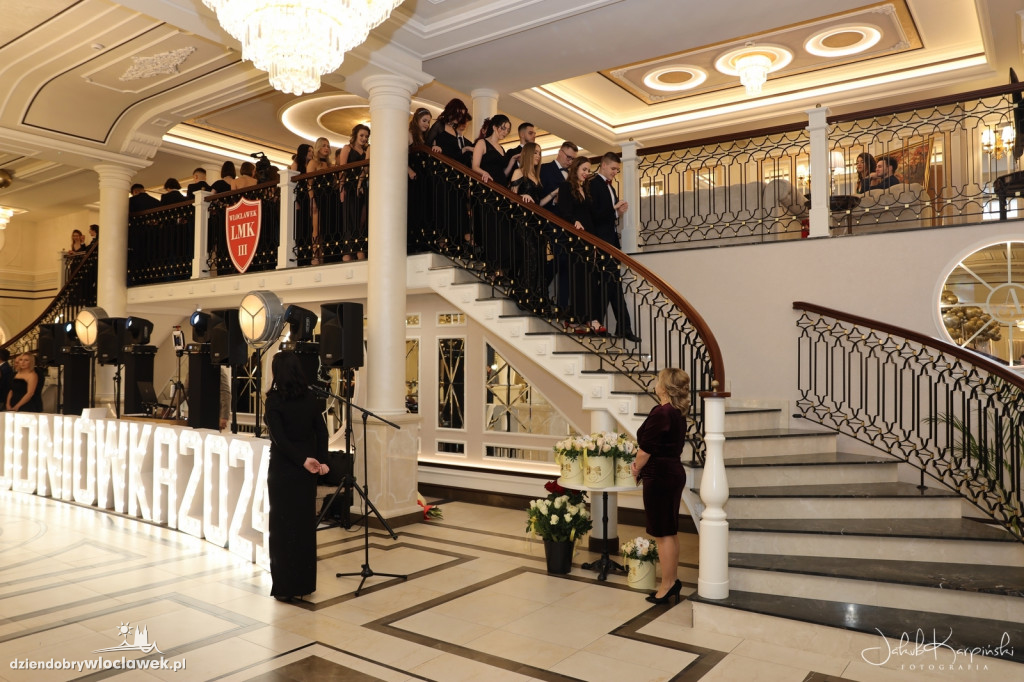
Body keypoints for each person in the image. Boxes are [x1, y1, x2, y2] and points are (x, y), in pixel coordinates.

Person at [263, 350, 329, 602]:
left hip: (284, 470)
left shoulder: (274, 400)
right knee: (303, 527)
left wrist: (302, 460)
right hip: (306, 472)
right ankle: (304, 583)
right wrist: (321, 461)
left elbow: (279, 439)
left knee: (282, 528)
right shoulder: (310, 398)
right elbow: (322, 432)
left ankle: (285, 587)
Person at [629, 367, 689, 605]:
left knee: (662, 534)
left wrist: (636, 468)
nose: (655, 382)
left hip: (661, 476)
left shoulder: (662, 413)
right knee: (668, 531)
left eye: (658, 380)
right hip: (671, 473)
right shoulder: (674, 411)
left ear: (664, 386)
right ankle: (671, 581)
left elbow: (645, 450)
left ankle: (667, 585)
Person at [588, 152, 638, 342]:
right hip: (600, 241)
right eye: (613, 168)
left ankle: (618, 326)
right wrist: (614, 210)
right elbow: (594, 214)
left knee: (611, 284)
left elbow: (608, 216)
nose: (615, 172)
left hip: (610, 241)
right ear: (603, 165)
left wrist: (617, 213)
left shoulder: (611, 187)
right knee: (609, 283)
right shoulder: (593, 184)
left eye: (617, 170)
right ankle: (611, 325)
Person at [556, 157, 599, 334]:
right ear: (575, 169)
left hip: (588, 238)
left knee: (588, 279)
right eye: (584, 169)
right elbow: (563, 211)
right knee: (578, 279)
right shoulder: (566, 187)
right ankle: (576, 318)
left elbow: (589, 215)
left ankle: (581, 318)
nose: (586, 173)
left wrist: (594, 240)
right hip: (574, 239)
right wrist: (574, 221)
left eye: (588, 170)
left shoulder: (585, 188)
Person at [337, 124, 370, 261]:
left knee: (361, 220)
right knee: (350, 219)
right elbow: (342, 170)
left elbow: (367, 168)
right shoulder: (347, 148)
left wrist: (361, 183)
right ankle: (349, 252)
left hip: (362, 188)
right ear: (355, 135)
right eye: (361, 135)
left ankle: (359, 248)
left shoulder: (367, 150)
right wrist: (341, 189)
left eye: (366, 136)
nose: (364, 138)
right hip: (349, 187)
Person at [307, 137, 333, 264]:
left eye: (328, 146)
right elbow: (309, 183)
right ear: (318, 148)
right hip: (317, 196)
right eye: (323, 145)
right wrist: (312, 200)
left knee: (325, 227)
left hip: (329, 198)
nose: (326, 148)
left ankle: (323, 255)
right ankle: (315, 256)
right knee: (316, 228)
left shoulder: (330, 165)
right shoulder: (313, 163)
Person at [472, 115, 516, 188]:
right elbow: (475, 167)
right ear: (494, 127)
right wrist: (484, 173)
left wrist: (512, 160)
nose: (505, 132)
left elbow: (504, 174)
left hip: (501, 187)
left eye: (508, 130)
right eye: (503, 128)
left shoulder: (501, 148)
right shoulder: (482, 143)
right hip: (487, 185)